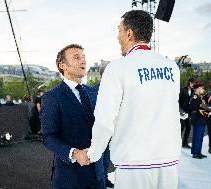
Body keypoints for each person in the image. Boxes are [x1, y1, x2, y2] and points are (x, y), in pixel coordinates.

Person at [84, 10, 181, 189]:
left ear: (129, 34)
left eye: (119, 30)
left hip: (134, 163)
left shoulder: (117, 68)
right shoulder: (172, 67)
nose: (117, 37)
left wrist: (93, 153)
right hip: (169, 162)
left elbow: (105, 119)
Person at [40, 44, 105, 189]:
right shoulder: (52, 97)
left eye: (83, 57)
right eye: (77, 58)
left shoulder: (93, 93)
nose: (83, 61)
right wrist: (74, 153)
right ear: (63, 65)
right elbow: (48, 137)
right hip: (69, 179)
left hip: (98, 176)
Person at [93, 66, 114, 188]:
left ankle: (104, 179)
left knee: (107, 156)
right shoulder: (94, 90)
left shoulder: (115, 89)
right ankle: (100, 181)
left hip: (111, 129)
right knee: (100, 157)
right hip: (99, 129)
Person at [189, 82, 211, 159]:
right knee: (197, 137)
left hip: (202, 120)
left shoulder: (201, 98)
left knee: (200, 138)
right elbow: (194, 109)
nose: (203, 90)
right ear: (198, 89)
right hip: (198, 120)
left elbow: (204, 107)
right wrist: (206, 113)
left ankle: (199, 152)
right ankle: (195, 153)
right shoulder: (194, 98)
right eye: (202, 88)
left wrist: (209, 111)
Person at [179, 78, 195, 148]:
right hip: (181, 112)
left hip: (188, 112)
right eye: (192, 83)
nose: (193, 84)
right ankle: (176, 143)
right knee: (181, 128)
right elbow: (178, 101)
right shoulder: (182, 90)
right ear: (188, 82)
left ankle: (184, 143)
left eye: (194, 83)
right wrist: (180, 111)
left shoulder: (192, 91)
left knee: (188, 127)